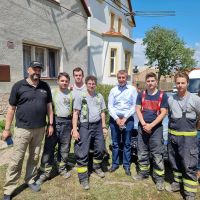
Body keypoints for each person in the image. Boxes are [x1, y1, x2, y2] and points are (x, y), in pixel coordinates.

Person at [2, 61, 53, 200]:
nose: (37, 71)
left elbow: (49, 106)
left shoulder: (45, 86)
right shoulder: (18, 86)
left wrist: (51, 124)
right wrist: (7, 129)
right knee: (17, 159)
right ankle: (9, 189)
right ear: (28, 69)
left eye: (39, 69)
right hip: (22, 130)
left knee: (34, 157)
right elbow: (11, 109)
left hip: (40, 128)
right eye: (34, 69)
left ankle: (30, 180)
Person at [166, 72, 200, 200]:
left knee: (189, 164)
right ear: (175, 84)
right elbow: (170, 117)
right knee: (174, 162)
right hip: (173, 137)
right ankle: (177, 183)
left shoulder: (195, 100)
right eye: (178, 83)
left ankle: (190, 192)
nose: (180, 85)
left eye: (183, 83)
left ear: (187, 83)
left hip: (189, 139)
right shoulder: (171, 99)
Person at [132, 72, 168, 191]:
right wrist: (143, 124)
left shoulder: (162, 95)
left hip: (156, 128)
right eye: (148, 81)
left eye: (152, 81)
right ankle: (143, 173)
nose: (150, 83)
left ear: (156, 82)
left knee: (157, 154)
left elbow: (163, 112)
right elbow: (137, 109)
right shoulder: (141, 94)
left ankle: (159, 178)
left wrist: (151, 125)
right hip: (142, 127)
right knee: (142, 151)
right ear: (146, 83)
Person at [36, 72, 73, 185]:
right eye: (62, 80)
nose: (64, 83)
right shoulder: (52, 92)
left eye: (66, 81)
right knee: (49, 148)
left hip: (67, 123)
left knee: (65, 148)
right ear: (57, 81)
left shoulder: (72, 94)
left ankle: (61, 168)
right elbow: (48, 108)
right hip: (55, 122)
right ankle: (45, 172)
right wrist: (49, 124)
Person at [72, 75, 107, 190]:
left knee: (101, 148)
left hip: (97, 126)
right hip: (85, 126)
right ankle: (83, 178)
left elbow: (102, 112)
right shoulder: (80, 96)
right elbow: (76, 114)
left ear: (96, 85)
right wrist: (75, 129)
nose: (91, 85)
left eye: (93, 84)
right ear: (86, 84)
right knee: (83, 151)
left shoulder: (99, 96)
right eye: (89, 83)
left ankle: (96, 166)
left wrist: (103, 127)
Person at [108, 70, 137, 176]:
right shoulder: (113, 90)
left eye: (123, 77)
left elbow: (135, 106)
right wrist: (116, 119)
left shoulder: (132, 90)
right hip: (114, 119)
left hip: (128, 119)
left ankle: (126, 166)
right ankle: (114, 164)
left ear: (126, 78)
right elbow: (110, 106)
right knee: (115, 143)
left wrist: (125, 118)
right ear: (117, 78)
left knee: (127, 143)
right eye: (119, 77)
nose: (121, 79)